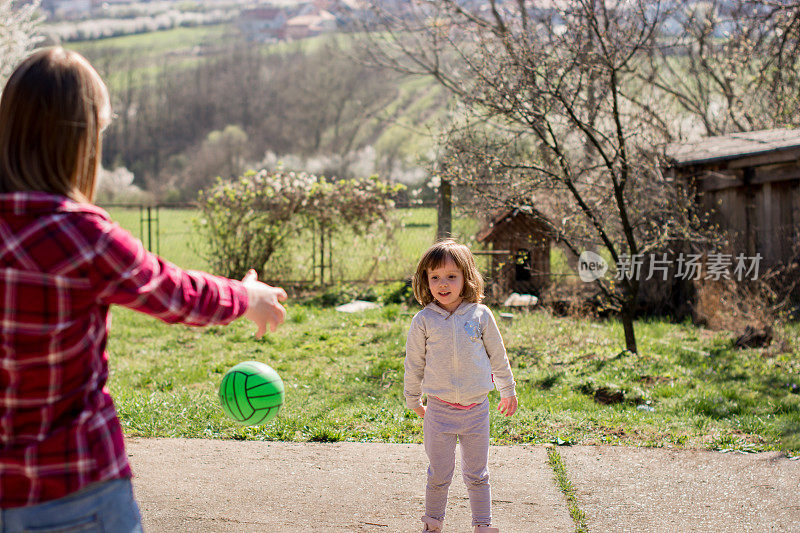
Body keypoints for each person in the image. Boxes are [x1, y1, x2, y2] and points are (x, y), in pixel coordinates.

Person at [0, 47, 287, 530]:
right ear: (82, 140)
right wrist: (247, 296)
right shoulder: (83, 237)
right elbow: (176, 293)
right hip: (76, 487)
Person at [404, 239, 518, 533]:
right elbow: (413, 363)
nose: (443, 284)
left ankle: (483, 525)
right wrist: (413, 398)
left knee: (477, 474)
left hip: (476, 411)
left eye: (451, 276)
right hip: (439, 412)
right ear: (425, 281)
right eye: (435, 277)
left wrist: (508, 390)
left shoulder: (480, 315)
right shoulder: (424, 320)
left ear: (466, 278)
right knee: (439, 473)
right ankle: (432, 522)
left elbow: (498, 356)